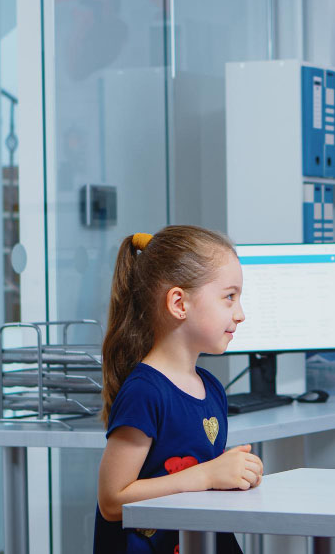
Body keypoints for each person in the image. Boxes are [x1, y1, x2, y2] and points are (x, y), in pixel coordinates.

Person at [94, 226, 263, 554]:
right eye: (229, 297)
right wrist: (207, 476)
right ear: (179, 303)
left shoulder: (211, 388)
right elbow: (111, 500)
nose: (240, 314)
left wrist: (230, 473)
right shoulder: (145, 393)